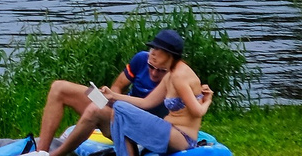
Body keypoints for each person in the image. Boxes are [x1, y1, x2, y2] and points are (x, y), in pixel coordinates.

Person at [34, 30, 210, 156]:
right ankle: (40, 152)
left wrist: (207, 99)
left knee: (105, 110)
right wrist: (112, 96)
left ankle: (56, 154)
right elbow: (140, 98)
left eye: (159, 53)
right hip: (127, 113)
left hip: (159, 129)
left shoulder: (179, 76)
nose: (153, 59)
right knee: (60, 87)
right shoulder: (147, 62)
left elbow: (196, 111)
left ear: (170, 55)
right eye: (151, 61)